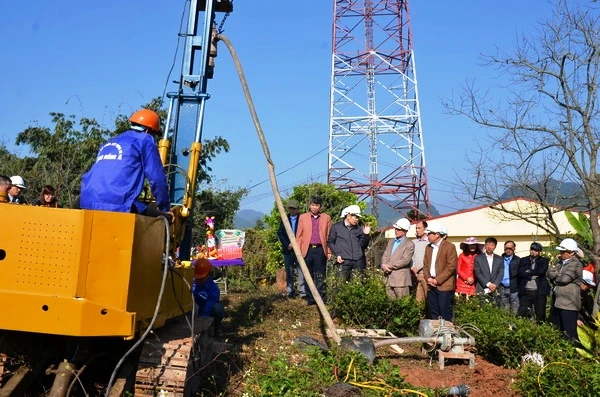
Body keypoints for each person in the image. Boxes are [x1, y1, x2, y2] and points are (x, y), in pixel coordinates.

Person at [79, 109, 172, 221]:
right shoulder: (145, 140)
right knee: (166, 219)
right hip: (119, 204)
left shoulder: (111, 141)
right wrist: (165, 208)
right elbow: (157, 179)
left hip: (86, 201)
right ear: (148, 131)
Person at [296, 196, 332, 305]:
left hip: (321, 249)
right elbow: (299, 235)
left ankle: (321, 297)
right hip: (307, 249)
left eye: (317, 205)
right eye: (312, 205)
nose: (314, 207)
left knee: (320, 274)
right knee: (308, 274)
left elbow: (329, 236)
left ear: (320, 206)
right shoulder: (303, 217)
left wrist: (329, 251)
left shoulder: (326, 218)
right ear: (309, 205)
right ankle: (310, 298)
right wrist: (298, 251)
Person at [548, 238, 583, 341]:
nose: (561, 253)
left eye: (563, 251)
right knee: (557, 331)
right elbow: (549, 273)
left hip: (569, 303)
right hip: (557, 302)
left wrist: (555, 276)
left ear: (572, 252)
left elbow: (563, 279)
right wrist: (556, 274)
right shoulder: (560, 263)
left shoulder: (576, 264)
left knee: (569, 333)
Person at [422, 221, 457, 321]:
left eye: (429, 233)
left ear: (437, 235)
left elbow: (451, 266)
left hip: (444, 285)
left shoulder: (450, 246)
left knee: (445, 311)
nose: (427, 235)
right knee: (433, 312)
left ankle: (446, 333)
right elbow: (425, 265)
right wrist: (428, 278)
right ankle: (435, 333)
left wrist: (437, 280)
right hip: (430, 285)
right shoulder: (428, 248)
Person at [328, 204, 371, 282]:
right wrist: (337, 254)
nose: (357, 219)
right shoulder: (336, 227)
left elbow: (363, 246)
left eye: (358, 217)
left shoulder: (359, 229)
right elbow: (331, 242)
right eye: (355, 217)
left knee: (359, 286)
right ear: (348, 216)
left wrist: (366, 235)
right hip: (344, 261)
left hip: (358, 261)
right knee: (341, 286)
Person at [381, 218, 415, 299]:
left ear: (405, 230)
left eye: (399, 229)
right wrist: (383, 265)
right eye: (396, 228)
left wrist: (389, 266)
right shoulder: (391, 241)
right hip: (388, 278)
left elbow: (405, 260)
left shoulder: (409, 244)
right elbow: (385, 255)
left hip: (401, 281)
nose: (396, 231)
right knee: (390, 306)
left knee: (403, 305)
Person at [277, 199, 304, 298]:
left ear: (297, 209)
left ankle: (302, 293)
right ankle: (290, 292)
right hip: (287, 250)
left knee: (301, 271)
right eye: (290, 208)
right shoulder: (284, 219)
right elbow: (280, 233)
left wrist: (297, 243)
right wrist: (287, 244)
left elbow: (304, 234)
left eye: (294, 208)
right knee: (289, 271)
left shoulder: (302, 219)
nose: (292, 210)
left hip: (299, 249)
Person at [517, 242, 550, 322]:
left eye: (535, 250)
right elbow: (520, 272)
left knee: (540, 313)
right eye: (532, 249)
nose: (533, 252)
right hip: (526, 290)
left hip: (539, 291)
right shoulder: (523, 260)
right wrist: (531, 275)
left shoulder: (544, 260)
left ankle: (540, 329)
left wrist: (528, 271)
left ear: (539, 252)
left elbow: (542, 271)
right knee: (522, 312)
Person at [192, 258, 225, 333]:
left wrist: (202, 322)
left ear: (208, 274)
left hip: (208, 311)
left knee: (218, 308)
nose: (199, 280)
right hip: (194, 310)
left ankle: (216, 325)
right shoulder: (190, 283)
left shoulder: (214, 289)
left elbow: (209, 306)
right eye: (197, 278)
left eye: (201, 278)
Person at [499, 240, 520, 313]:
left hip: (514, 288)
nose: (508, 250)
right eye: (506, 248)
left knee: (515, 310)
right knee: (504, 310)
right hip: (502, 288)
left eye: (510, 248)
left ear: (514, 248)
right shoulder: (499, 259)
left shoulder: (518, 260)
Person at [412, 220, 429, 302]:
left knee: (427, 297)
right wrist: (413, 267)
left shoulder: (429, 243)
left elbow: (428, 258)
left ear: (425, 229)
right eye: (416, 228)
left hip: (425, 274)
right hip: (414, 274)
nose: (417, 230)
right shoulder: (413, 242)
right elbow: (411, 257)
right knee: (417, 299)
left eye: (419, 228)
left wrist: (418, 268)